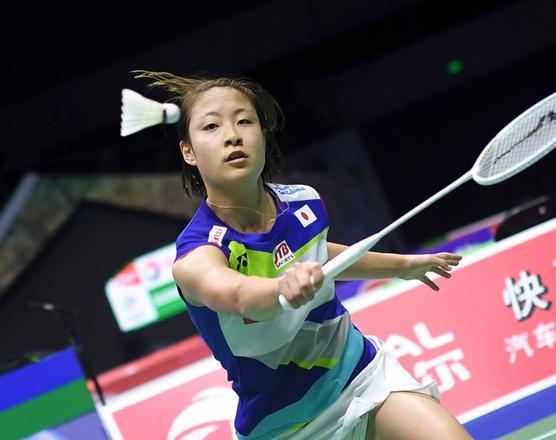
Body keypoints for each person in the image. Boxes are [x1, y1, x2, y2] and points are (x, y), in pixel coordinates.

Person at [133, 70, 472, 439]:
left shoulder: (302, 201)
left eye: (244, 121)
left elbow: (321, 255)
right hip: (286, 427)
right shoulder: (198, 256)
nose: (232, 135)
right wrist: (281, 287)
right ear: (189, 151)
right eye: (211, 127)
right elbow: (240, 296)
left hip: (360, 377)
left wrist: (402, 266)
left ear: (262, 134)